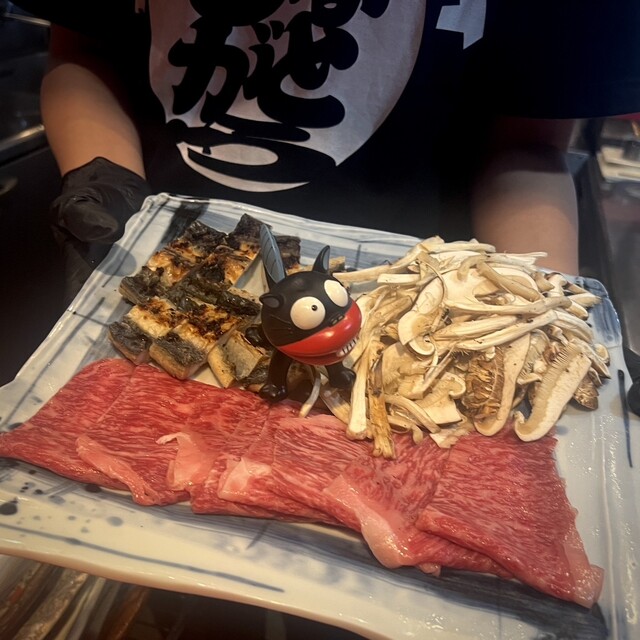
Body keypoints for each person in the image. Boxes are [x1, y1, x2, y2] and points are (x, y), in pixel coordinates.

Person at [14, 1, 640, 300]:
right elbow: (83, 50)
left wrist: (534, 305)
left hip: (415, 292)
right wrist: (104, 182)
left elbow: (525, 148)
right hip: (155, 257)